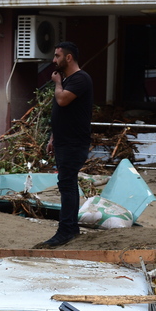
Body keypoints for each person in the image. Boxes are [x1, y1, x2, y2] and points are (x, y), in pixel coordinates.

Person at [41, 41, 93, 247]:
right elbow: (63, 113)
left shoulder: (80, 78)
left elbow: (62, 100)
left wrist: (57, 83)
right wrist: (53, 137)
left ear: (68, 57)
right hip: (64, 141)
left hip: (74, 142)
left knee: (67, 184)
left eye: (57, 56)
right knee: (66, 183)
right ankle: (70, 228)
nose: (54, 60)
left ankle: (66, 230)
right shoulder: (69, 80)